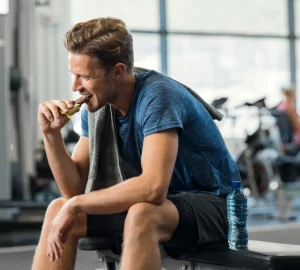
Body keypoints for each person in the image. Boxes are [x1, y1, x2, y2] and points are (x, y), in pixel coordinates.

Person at [32, 17, 241, 270]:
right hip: (166, 204)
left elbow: (153, 189)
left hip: (218, 205)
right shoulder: (97, 104)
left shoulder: (158, 96)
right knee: (59, 208)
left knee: (143, 214)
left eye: (84, 77)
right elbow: (73, 190)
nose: (75, 87)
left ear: (118, 71)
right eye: (73, 75)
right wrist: (51, 136)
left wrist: (77, 204)